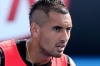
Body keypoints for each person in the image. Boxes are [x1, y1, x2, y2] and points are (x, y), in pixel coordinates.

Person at [0, 0, 76, 66]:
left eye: (68, 29)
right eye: (57, 29)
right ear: (35, 30)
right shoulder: (2, 56)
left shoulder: (67, 64)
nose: (65, 38)